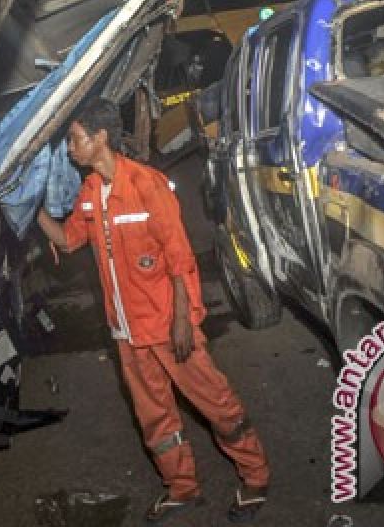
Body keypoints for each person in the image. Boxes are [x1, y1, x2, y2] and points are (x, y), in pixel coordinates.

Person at [37, 99, 270, 523]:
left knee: (214, 401)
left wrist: (183, 320)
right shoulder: (90, 193)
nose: (69, 149)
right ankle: (182, 488)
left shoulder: (147, 185)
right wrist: (25, 208)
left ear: (99, 137)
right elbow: (69, 241)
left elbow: (180, 257)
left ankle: (255, 475)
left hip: (166, 325)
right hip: (126, 332)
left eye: (74, 139)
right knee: (154, 418)